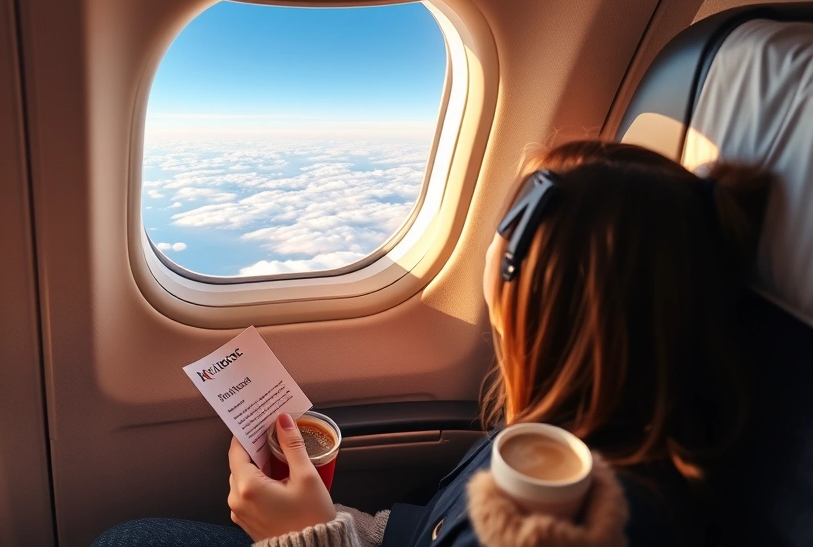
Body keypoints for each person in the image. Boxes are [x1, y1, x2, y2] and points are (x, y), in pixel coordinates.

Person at [93, 140, 769, 547]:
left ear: (537, 307)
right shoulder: (556, 431)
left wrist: (304, 535)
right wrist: (338, 521)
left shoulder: (579, 519)